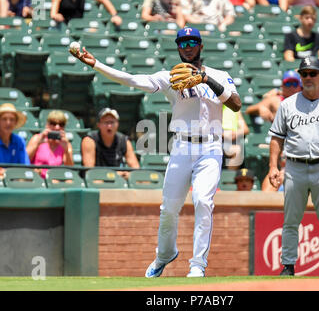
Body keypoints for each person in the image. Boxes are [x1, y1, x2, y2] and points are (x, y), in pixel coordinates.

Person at [70, 26, 241, 278]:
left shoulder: (219, 75)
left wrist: (207, 79)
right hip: (182, 146)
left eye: (193, 41)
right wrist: (97, 64)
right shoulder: (170, 77)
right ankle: (164, 254)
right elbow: (131, 79)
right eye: (182, 43)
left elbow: (235, 105)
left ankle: (197, 265)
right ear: (177, 48)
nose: (188, 46)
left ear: (201, 46)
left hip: (211, 147)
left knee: (203, 201)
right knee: (169, 208)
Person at [268, 56, 319, 277]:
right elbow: (276, 138)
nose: (307, 77)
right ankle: (288, 266)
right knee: (291, 220)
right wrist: (273, 167)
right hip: (294, 166)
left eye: (312, 73)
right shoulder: (287, 105)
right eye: (304, 73)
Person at [81, 108, 140, 180]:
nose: (109, 126)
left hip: (118, 183)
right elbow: (89, 172)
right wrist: (113, 175)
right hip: (97, 182)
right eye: (106, 122)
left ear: (117, 124)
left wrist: (127, 174)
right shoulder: (89, 141)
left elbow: (136, 170)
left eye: (112, 122)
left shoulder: (124, 141)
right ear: (99, 125)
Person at [0, 103, 30, 178]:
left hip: (17, 182)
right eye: (4, 119)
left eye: (12, 119)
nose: (8, 123)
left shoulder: (20, 141)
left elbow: (25, 168)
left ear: (15, 122)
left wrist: (3, 171)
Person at [26, 110, 73, 178]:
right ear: (47, 125)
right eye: (53, 123)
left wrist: (66, 150)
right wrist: (37, 143)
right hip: (36, 177)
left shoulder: (65, 144)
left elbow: (70, 169)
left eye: (61, 124)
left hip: (55, 179)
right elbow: (25, 159)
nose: (57, 127)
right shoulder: (37, 138)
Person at [50, 0, 123, 25]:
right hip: (61, 25)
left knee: (96, 28)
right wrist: (56, 15)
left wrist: (114, 15)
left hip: (79, 26)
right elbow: (53, 13)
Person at [222, 106, 249, 170]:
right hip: (217, 140)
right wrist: (223, 134)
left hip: (232, 141)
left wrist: (235, 133)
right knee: (237, 150)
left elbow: (245, 129)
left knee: (237, 150)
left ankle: (229, 178)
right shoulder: (213, 106)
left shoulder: (234, 107)